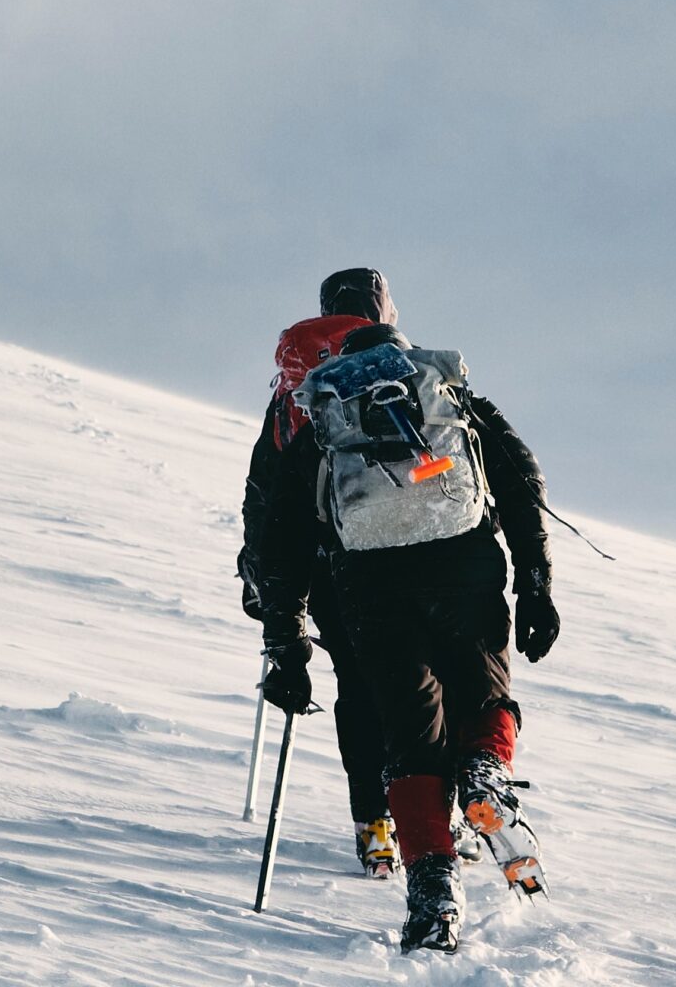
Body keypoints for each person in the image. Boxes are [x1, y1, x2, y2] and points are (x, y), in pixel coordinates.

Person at [245, 274, 561, 955]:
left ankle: (431, 891)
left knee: (411, 737)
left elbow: (282, 541)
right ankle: (484, 770)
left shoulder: (319, 414)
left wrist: (287, 645)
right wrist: (535, 581)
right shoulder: (445, 396)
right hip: (465, 566)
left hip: (369, 585)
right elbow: (518, 479)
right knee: (483, 694)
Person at [239, 268, 401, 877]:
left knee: (357, 689)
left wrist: (260, 572)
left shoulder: (294, 384)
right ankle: (433, 814)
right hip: (397, 554)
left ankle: (374, 824)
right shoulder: (400, 367)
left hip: (320, 565)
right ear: (382, 307)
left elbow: (266, 489)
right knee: (419, 686)